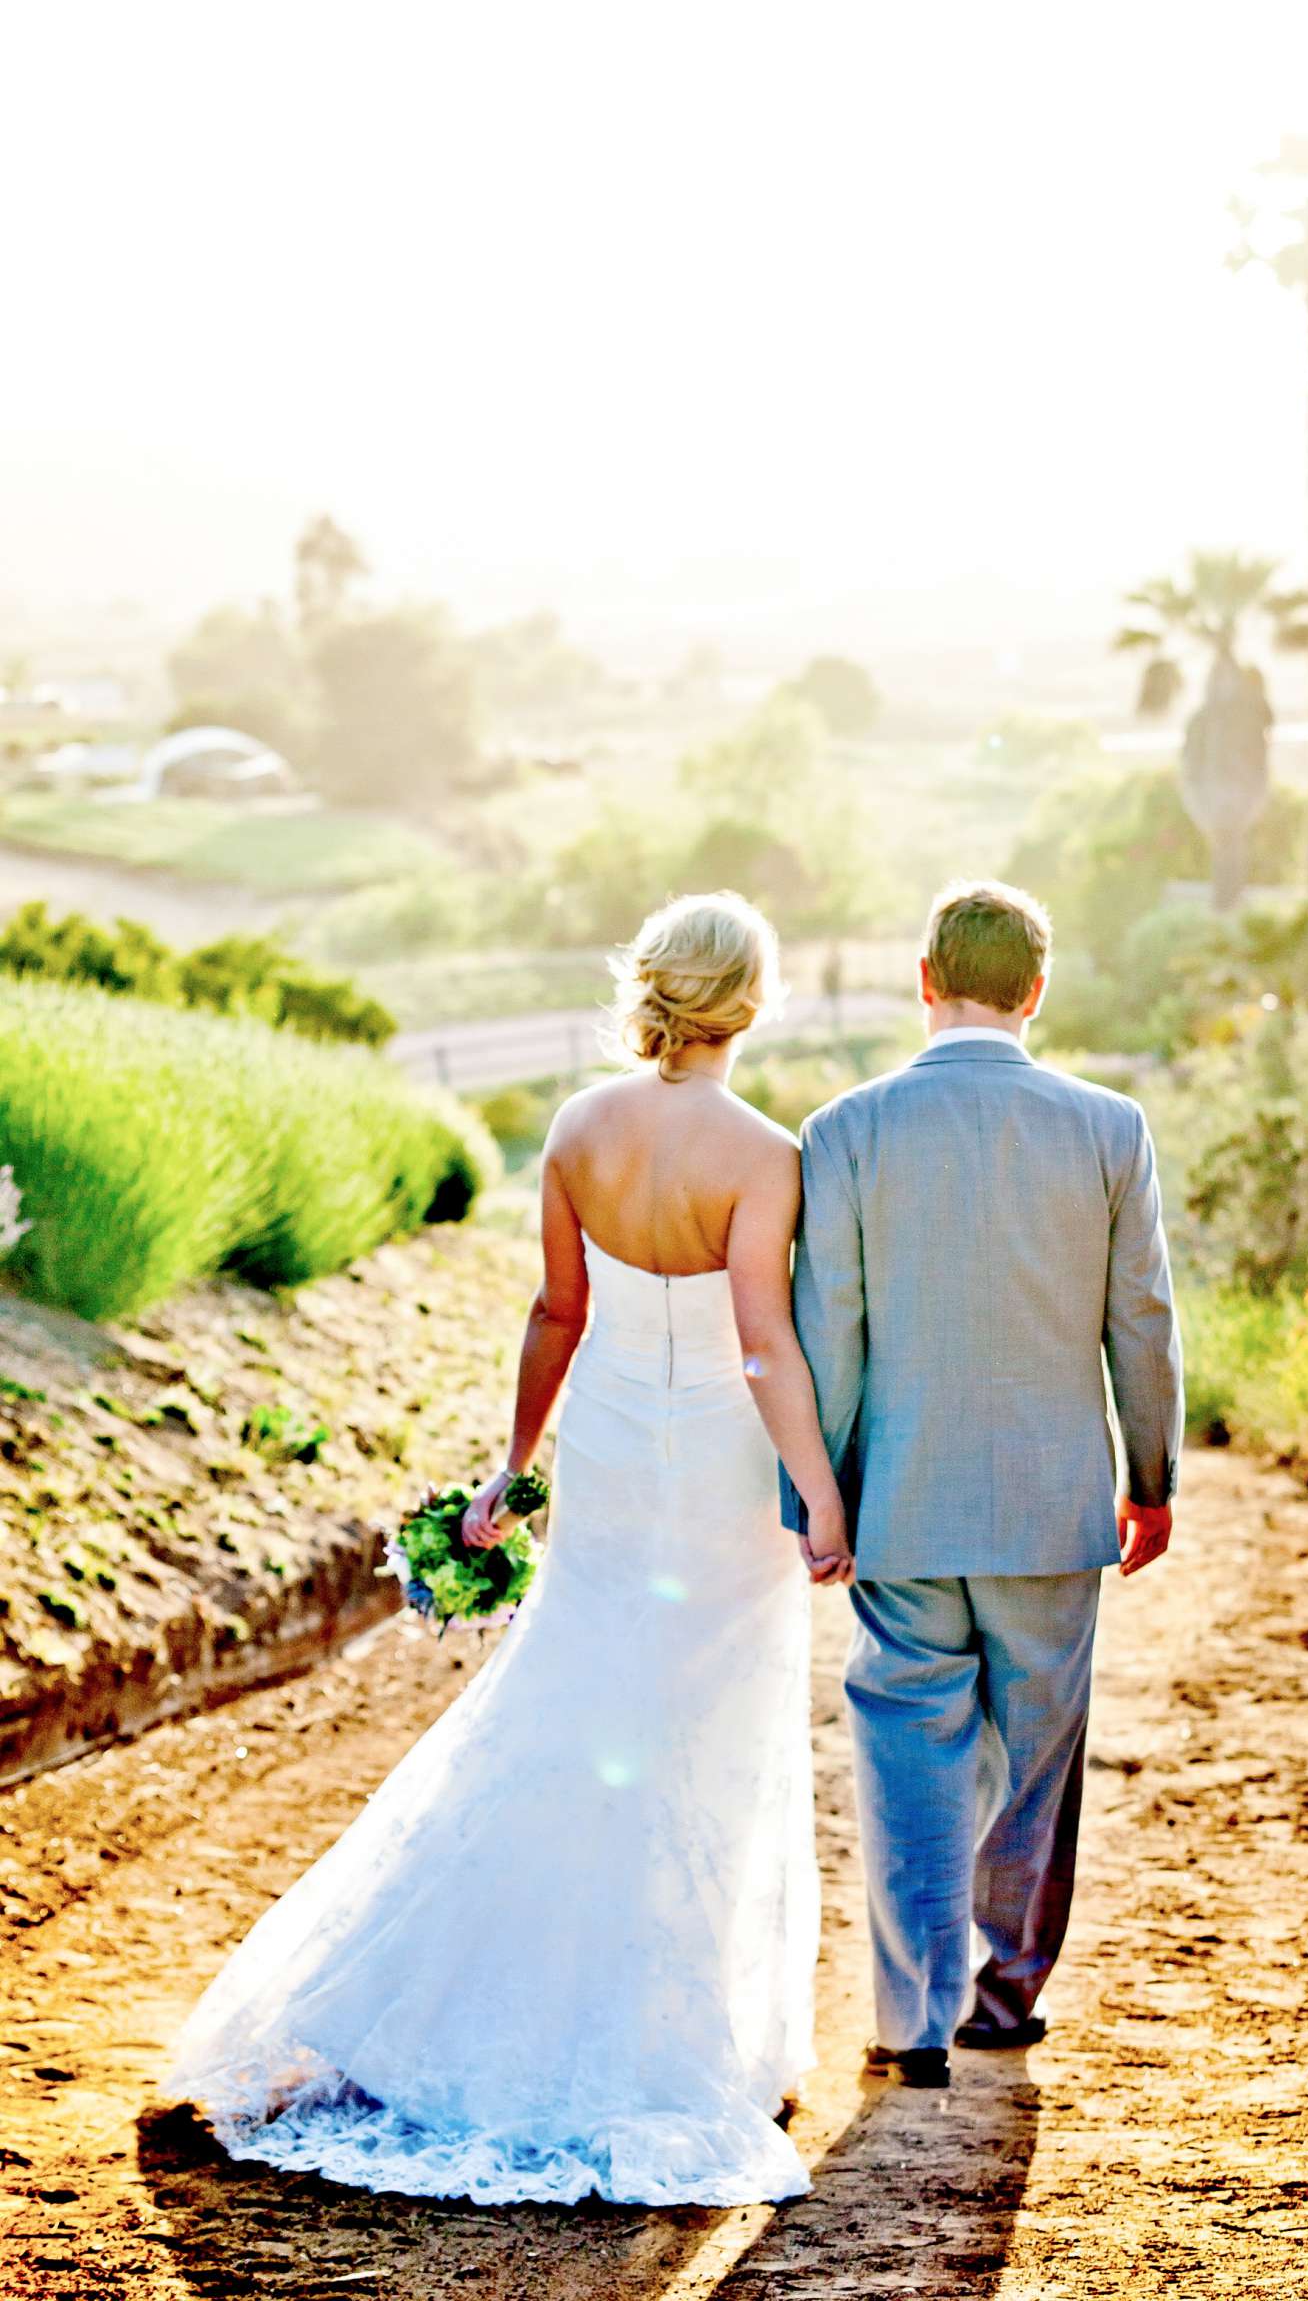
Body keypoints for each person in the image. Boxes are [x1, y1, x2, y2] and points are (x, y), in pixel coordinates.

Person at [164, 892, 853, 2208]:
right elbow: (764, 1343)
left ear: (652, 987)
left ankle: (465, 1997)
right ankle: (680, 2031)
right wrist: (818, 1492)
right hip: (719, 1472)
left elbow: (557, 1307)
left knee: (575, 1691)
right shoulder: (767, 1155)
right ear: (750, 1005)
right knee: (709, 1726)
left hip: (602, 1449)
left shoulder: (581, 1127)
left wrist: (516, 1462)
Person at [782, 878, 1183, 2089]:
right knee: (1035, 1758)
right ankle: (1002, 1998)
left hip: (901, 1508)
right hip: (1055, 1510)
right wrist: (1150, 1477)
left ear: (923, 980)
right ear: (1037, 990)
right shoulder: (1109, 1128)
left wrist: (821, 1504)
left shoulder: (843, 1130)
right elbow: (1143, 1322)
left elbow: (829, 1333)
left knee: (905, 1750)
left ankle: (911, 2018)